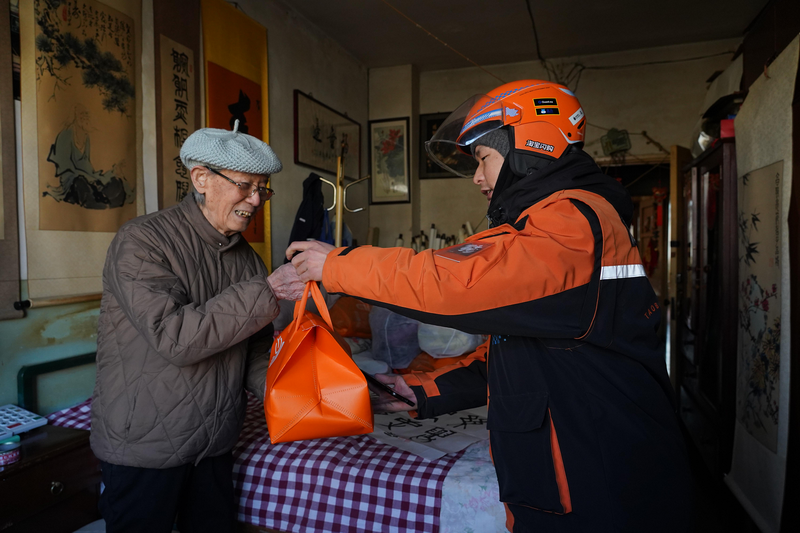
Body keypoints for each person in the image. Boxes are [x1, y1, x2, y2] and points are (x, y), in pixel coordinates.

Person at [284, 80, 693, 532]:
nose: (478, 178)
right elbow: (526, 350)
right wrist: (423, 390)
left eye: (483, 159)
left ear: (529, 146)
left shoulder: (572, 222)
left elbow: (454, 282)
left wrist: (337, 264)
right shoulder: (558, 220)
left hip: (595, 474)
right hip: (577, 462)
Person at [90, 122, 304, 533]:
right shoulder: (142, 241)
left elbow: (255, 349)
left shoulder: (246, 258)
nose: (256, 200)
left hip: (213, 441)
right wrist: (268, 290)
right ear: (201, 178)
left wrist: (302, 393)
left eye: (263, 188)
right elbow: (175, 338)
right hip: (145, 443)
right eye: (245, 185)